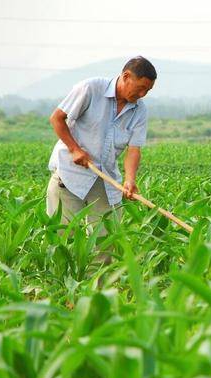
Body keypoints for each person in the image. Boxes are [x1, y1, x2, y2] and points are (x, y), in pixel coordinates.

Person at [46, 56, 156, 242]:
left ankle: (101, 272)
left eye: (148, 90)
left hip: (105, 178)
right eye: (140, 88)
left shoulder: (139, 110)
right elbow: (57, 118)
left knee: (106, 240)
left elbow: (134, 149)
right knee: (61, 237)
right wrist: (74, 149)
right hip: (70, 174)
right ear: (126, 76)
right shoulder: (91, 88)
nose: (143, 94)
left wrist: (130, 180)